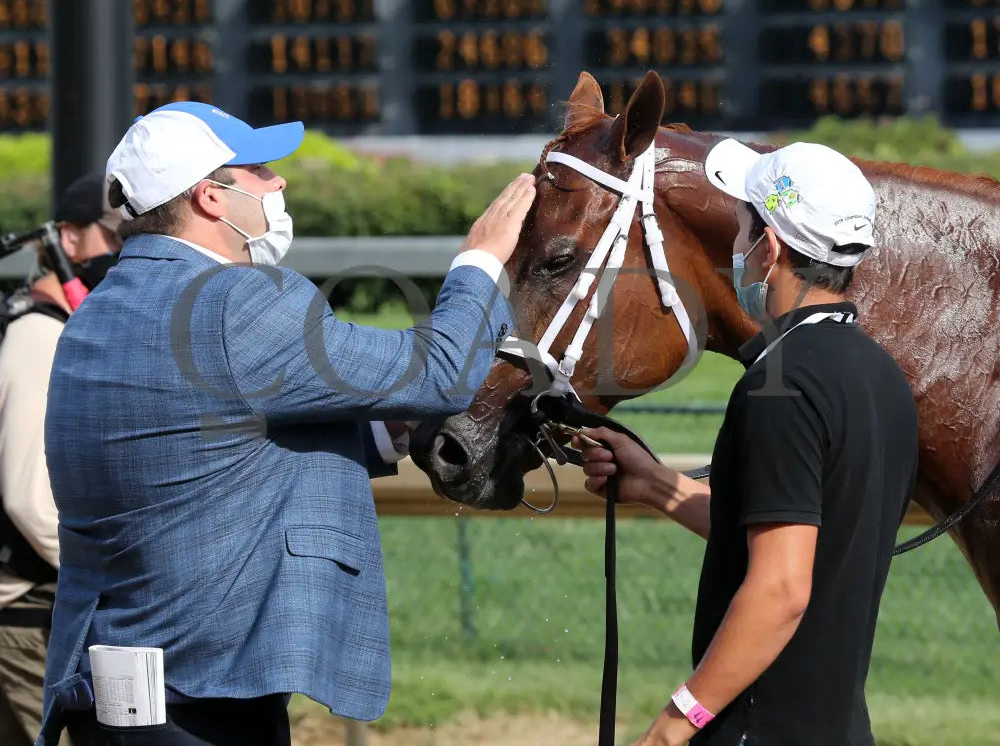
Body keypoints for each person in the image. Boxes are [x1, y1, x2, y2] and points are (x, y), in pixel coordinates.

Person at [36, 102, 533, 746]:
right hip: (208, 697)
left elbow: (212, 439)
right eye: (262, 169)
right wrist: (481, 261)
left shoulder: (95, 310)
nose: (280, 183)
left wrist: (390, 430)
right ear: (212, 197)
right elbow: (439, 370)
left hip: (110, 689)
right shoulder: (238, 300)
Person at [574, 140, 919, 746]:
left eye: (741, 229)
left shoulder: (777, 385)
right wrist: (655, 484)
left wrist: (672, 728)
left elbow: (782, 588)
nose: (736, 248)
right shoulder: (883, 375)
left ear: (773, 248)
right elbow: (800, 532)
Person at [0, 172, 121, 746]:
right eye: (113, 237)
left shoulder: (60, 330)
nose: (127, 251)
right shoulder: (38, 336)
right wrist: (118, 576)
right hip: (26, 616)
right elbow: (30, 500)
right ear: (67, 240)